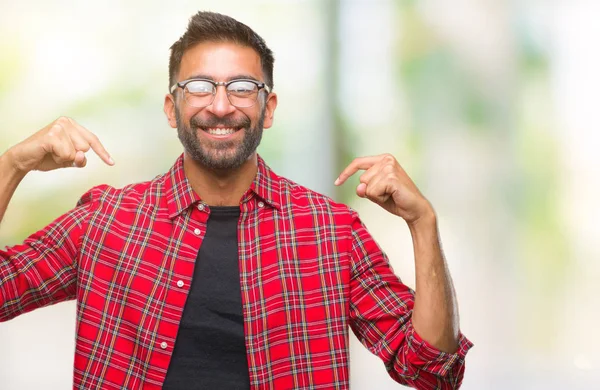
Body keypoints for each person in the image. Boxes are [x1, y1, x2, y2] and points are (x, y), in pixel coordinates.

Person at [0, 11, 472, 390]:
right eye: (200, 87)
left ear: (268, 109)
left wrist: (422, 221)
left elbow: (430, 370)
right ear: (172, 109)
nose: (221, 105)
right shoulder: (107, 221)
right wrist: (12, 164)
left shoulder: (330, 230)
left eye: (242, 88)